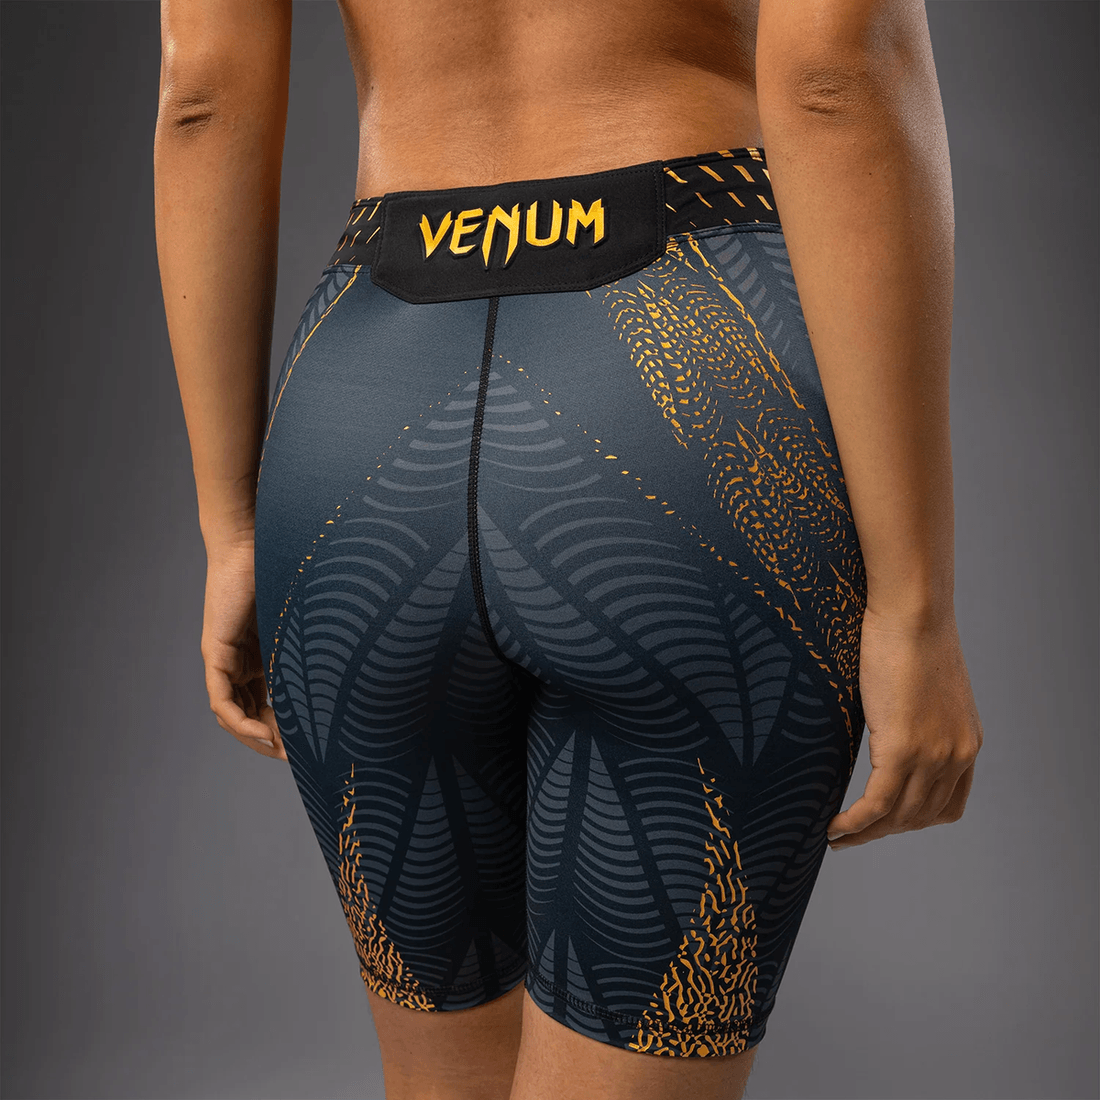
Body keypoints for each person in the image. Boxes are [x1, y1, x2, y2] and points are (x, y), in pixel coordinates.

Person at [154, 0, 984, 1096]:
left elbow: (202, 98)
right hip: (685, 389)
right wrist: (915, 607)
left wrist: (230, 527)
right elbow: (836, 73)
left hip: (362, 420)